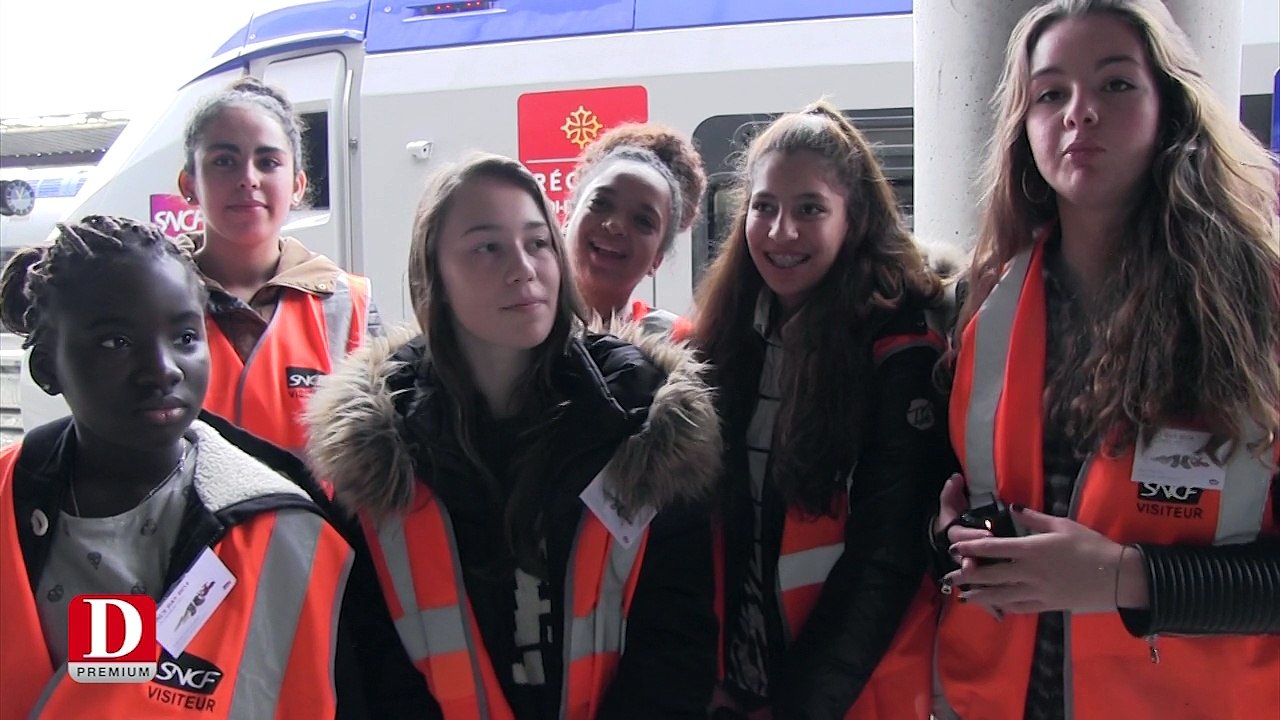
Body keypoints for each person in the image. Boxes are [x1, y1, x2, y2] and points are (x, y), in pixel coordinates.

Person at [934, 1, 1280, 718]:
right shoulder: (987, 304)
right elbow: (983, 511)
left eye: (1115, 85)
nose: (1079, 113)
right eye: (1051, 93)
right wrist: (948, 540)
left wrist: (1125, 579)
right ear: (1023, 128)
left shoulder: (1263, 309)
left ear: (1171, 109)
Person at [305, 153, 721, 718]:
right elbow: (372, 660)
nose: (523, 267)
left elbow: (676, 641)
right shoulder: (377, 447)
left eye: (537, 242)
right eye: (487, 246)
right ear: (436, 275)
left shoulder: (644, 416)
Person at [0, 216, 356, 718]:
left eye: (186, 337)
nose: (162, 368)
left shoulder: (283, 533)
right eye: (115, 343)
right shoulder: (8, 500)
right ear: (47, 369)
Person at [694, 100, 954, 719]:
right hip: (741, 689)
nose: (782, 232)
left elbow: (885, 559)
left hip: (851, 698)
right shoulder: (725, 339)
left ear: (854, 218)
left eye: (810, 208)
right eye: (764, 207)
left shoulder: (901, 350)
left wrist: (795, 708)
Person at [176, 76, 379, 453]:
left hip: (318, 514)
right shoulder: (148, 298)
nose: (248, 179)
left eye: (268, 162)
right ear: (189, 184)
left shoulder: (350, 305)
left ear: (298, 185)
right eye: (224, 161)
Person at [565, 123, 706, 338]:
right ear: (568, 217)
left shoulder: (681, 342)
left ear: (656, 260)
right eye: (600, 203)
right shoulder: (509, 325)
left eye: (643, 221)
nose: (615, 226)